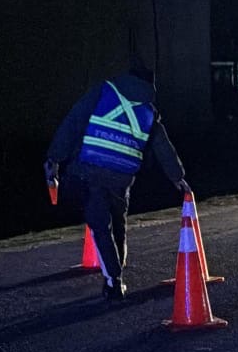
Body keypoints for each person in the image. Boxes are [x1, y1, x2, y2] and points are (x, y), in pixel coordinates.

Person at [45, 59, 190, 301]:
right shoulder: (149, 111)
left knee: (101, 226)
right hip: (123, 176)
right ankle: (117, 269)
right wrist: (178, 177)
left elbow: (74, 120)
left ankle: (114, 280)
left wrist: (54, 158)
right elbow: (162, 146)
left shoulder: (104, 90)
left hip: (91, 170)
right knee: (118, 222)